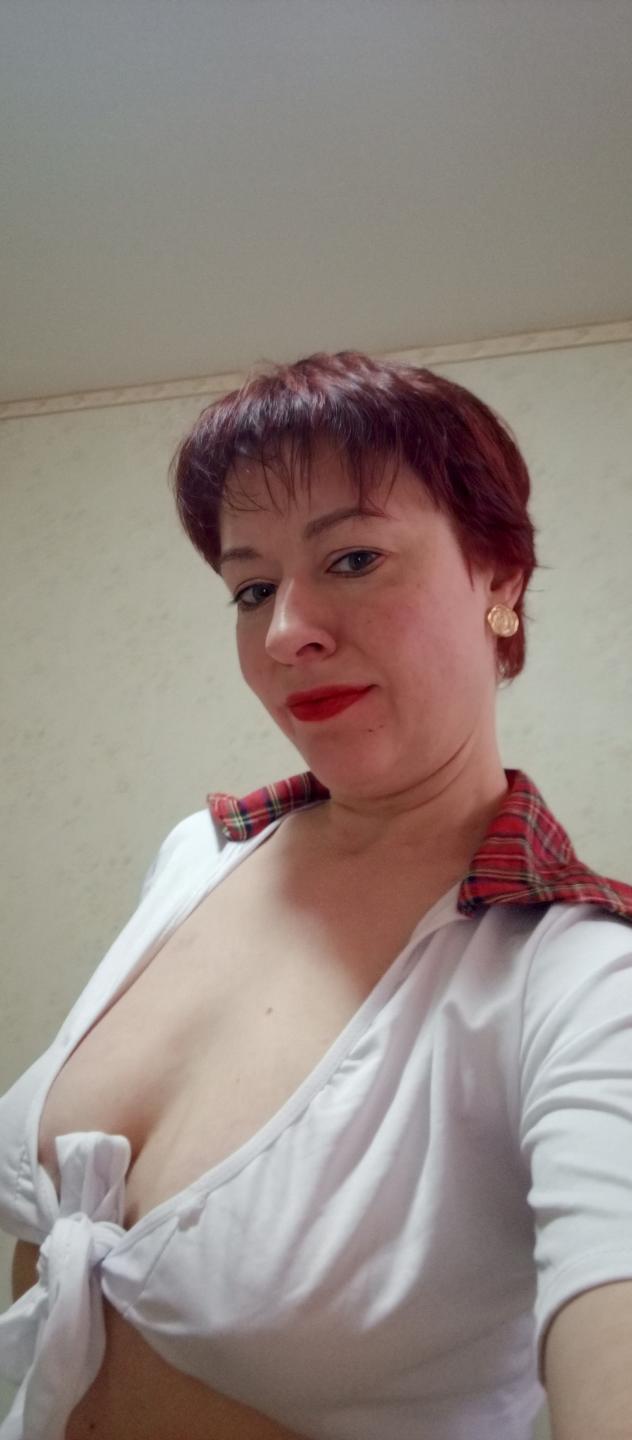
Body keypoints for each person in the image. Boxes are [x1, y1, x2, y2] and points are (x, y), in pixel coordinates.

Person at [1, 350, 631, 1440]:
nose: (285, 629)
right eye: (252, 588)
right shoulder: (201, 853)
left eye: (352, 558)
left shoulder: (580, 981)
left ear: (498, 578)